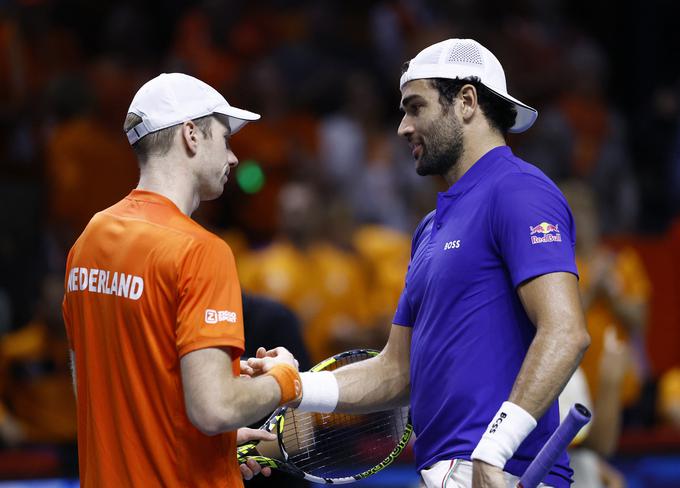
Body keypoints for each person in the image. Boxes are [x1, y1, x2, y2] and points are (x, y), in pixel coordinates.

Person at [247, 39, 590, 488]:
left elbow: (565, 331)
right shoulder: (429, 228)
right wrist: (294, 385)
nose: (403, 127)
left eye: (415, 107)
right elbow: (395, 370)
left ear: (466, 102)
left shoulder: (521, 191)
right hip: (451, 472)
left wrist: (496, 448)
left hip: (501, 471)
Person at [61, 73, 303, 487]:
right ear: (192, 135)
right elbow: (215, 409)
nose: (233, 159)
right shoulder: (200, 250)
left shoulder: (90, 238)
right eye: (225, 140)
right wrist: (285, 381)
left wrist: (214, 443)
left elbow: (94, 384)